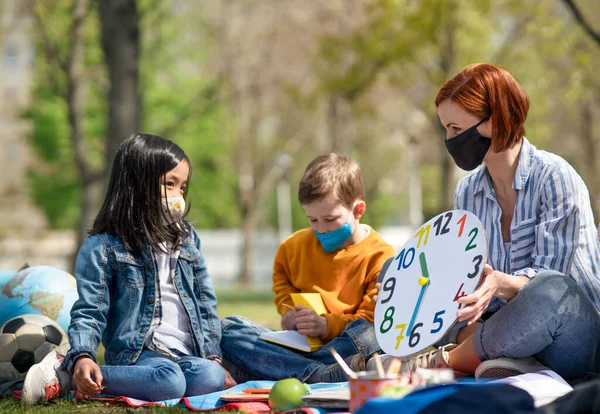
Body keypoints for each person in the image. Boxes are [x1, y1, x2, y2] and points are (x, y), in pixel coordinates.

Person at [382, 63, 600, 380]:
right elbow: (467, 278)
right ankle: (509, 361)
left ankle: (443, 362)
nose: (449, 140)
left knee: (549, 291)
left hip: (571, 332)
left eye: (456, 129)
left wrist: (501, 284)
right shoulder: (467, 192)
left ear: (495, 121)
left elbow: (555, 281)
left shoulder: (555, 177)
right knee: (402, 273)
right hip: (502, 325)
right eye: (446, 129)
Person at [21, 134, 235, 406]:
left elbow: (205, 305)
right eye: (169, 184)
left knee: (210, 376)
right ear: (138, 183)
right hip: (137, 354)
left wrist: (213, 356)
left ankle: (87, 379)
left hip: (184, 355)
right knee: (168, 381)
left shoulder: (188, 239)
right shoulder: (105, 245)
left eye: (183, 187)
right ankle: (69, 374)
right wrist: (85, 354)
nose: (178, 196)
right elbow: (91, 310)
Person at [219, 153, 396, 383]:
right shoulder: (294, 246)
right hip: (300, 346)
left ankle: (281, 369)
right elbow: (282, 282)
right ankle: (320, 373)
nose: (321, 229)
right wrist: (290, 312)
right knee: (229, 328)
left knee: (372, 335)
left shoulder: (380, 255)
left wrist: (324, 325)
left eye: (330, 219)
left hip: (346, 344)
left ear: (358, 210)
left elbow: (370, 318)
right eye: (312, 220)